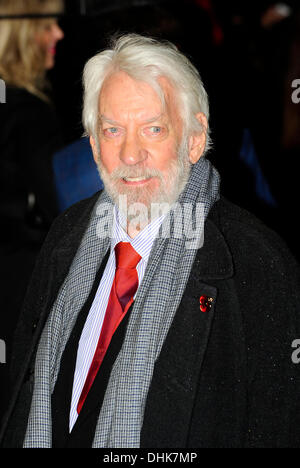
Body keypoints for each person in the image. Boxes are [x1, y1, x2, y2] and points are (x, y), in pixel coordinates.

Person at [1, 33, 300, 449]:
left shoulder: (254, 263)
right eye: (112, 130)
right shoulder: (66, 237)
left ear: (194, 140)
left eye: (153, 129)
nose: (130, 154)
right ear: (92, 144)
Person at [0, 0, 64, 425]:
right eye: (46, 25)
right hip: (16, 287)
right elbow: (65, 207)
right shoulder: (28, 114)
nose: (58, 34)